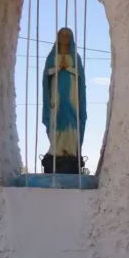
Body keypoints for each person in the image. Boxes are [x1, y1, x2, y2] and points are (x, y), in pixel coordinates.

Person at [42, 27, 87, 160]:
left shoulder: (75, 56)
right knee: (56, 114)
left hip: (72, 90)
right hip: (56, 89)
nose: (65, 38)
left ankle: (71, 149)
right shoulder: (52, 56)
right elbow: (46, 75)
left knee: (71, 115)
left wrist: (68, 68)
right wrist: (57, 68)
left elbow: (81, 75)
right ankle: (57, 149)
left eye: (68, 35)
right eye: (62, 35)